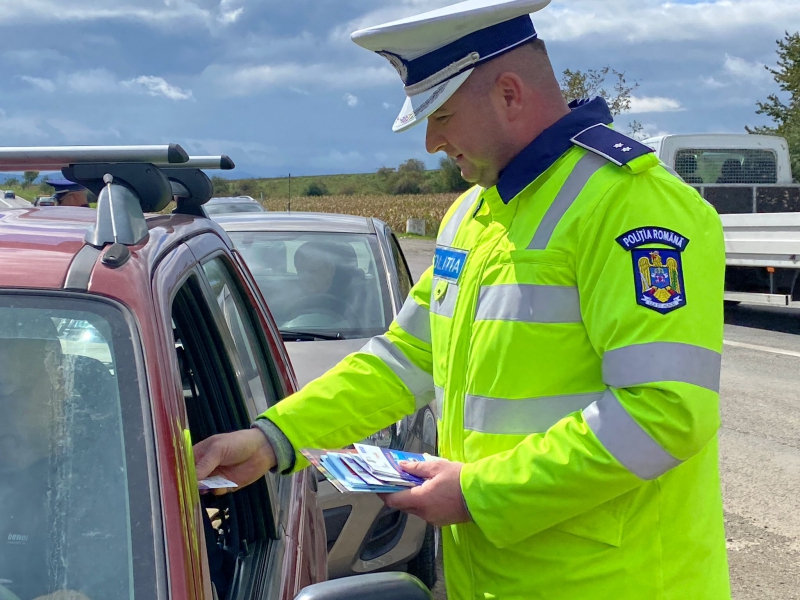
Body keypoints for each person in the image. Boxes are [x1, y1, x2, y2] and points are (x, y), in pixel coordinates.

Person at [194, 0, 730, 597]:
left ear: (509, 94)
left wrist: (478, 493)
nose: (431, 142)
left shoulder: (633, 204)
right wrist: (275, 438)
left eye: (442, 115)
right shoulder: (472, 213)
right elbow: (405, 360)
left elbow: (664, 413)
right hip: (498, 579)